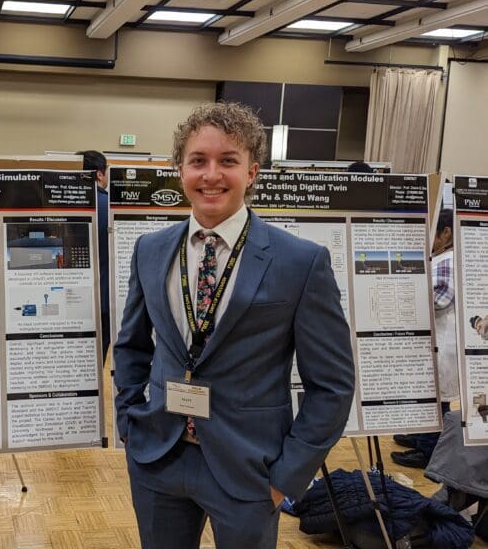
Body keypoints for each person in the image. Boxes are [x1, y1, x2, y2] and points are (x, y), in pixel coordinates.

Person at [114, 102, 355, 549]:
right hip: (157, 458)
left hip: (250, 469)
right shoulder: (150, 250)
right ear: (179, 170)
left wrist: (287, 476)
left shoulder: (300, 262)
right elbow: (131, 346)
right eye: (198, 161)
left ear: (252, 172)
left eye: (228, 161)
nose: (211, 175)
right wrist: (129, 422)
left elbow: (334, 386)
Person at [392, 208, 459, 468]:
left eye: (432, 233)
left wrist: (407, 292)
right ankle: (421, 437)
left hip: (444, 342)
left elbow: (440, 301)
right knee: (427, 395)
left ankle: (430, 451)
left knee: (437, 400)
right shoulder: (442, 257)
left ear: (446, 233)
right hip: (434, 339)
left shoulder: (449, 261)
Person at [79, 150, 111, 363]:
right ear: (100, 174)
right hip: (105, 297)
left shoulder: (67, 204)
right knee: (96, 360)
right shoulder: (110, 206)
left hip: (73, 299)